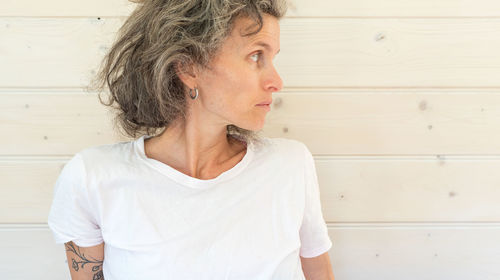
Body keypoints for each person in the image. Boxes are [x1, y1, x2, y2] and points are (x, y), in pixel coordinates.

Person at [47, 0, 334, 279]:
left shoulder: (290, 166)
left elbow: (319, 272)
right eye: (256, 56)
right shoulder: (92, 178)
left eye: (273, 58)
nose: (277, 80)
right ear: (188, 68)